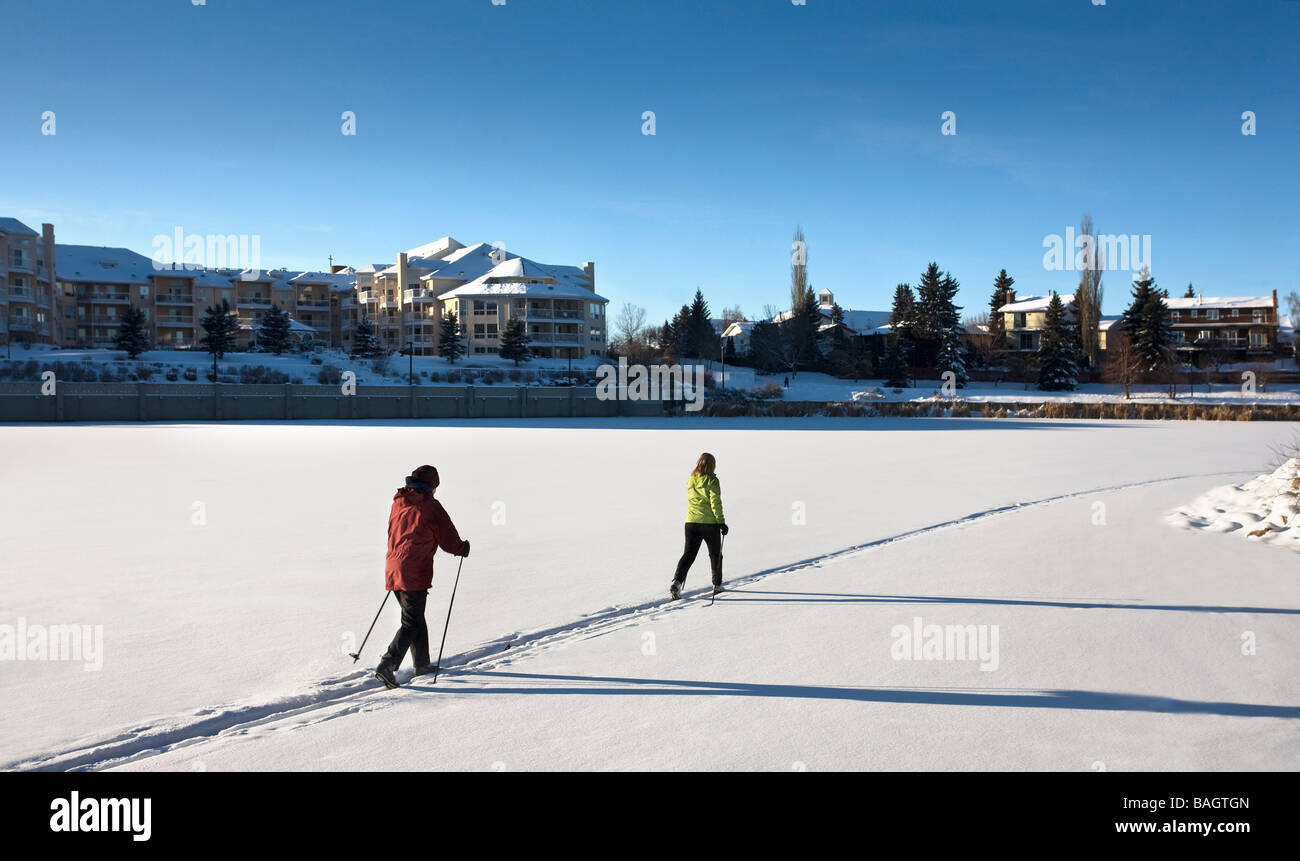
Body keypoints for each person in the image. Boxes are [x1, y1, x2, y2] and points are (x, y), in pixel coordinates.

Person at [375, 465, 469, 689]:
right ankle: (387, 664)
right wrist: (461, 547)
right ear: (432, 486)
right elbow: (446, 537)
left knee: (415, 618)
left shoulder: (398, 502)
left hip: (393, 567)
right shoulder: (430, 506)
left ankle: (422, 665)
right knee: (411, 621)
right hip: (414, 570)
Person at [670, 452, 729, 599]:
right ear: (712, 465)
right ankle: (717, 584)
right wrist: (721, 522)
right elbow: (715, 502)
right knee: (715, 554)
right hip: (709, 524)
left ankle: (677, 582)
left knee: (688, 555)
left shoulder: (691, 480)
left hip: (691, 523)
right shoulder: (712, 481)